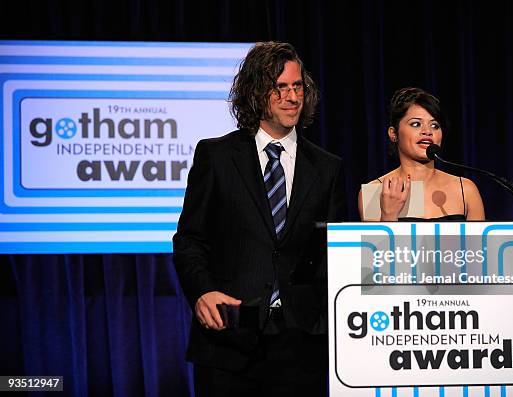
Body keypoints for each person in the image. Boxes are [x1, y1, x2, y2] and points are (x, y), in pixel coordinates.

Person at [173, 41, 346, 397]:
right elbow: (190, 239)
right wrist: (202, 291)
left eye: (297, 86)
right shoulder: (217, 156)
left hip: (302, 345)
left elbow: (330, 252)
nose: (291, 97)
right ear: (255, 93)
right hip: (229, 337)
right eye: (279, 88)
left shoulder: (327, 168)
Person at [358, 87, 485, 221]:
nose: (427, 131)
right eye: (416, 124)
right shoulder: (375, 192)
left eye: (435, 125)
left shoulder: (465, 190)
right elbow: (378, 243)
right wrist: (389, 215)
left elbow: (479, 242)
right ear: (393, 134)